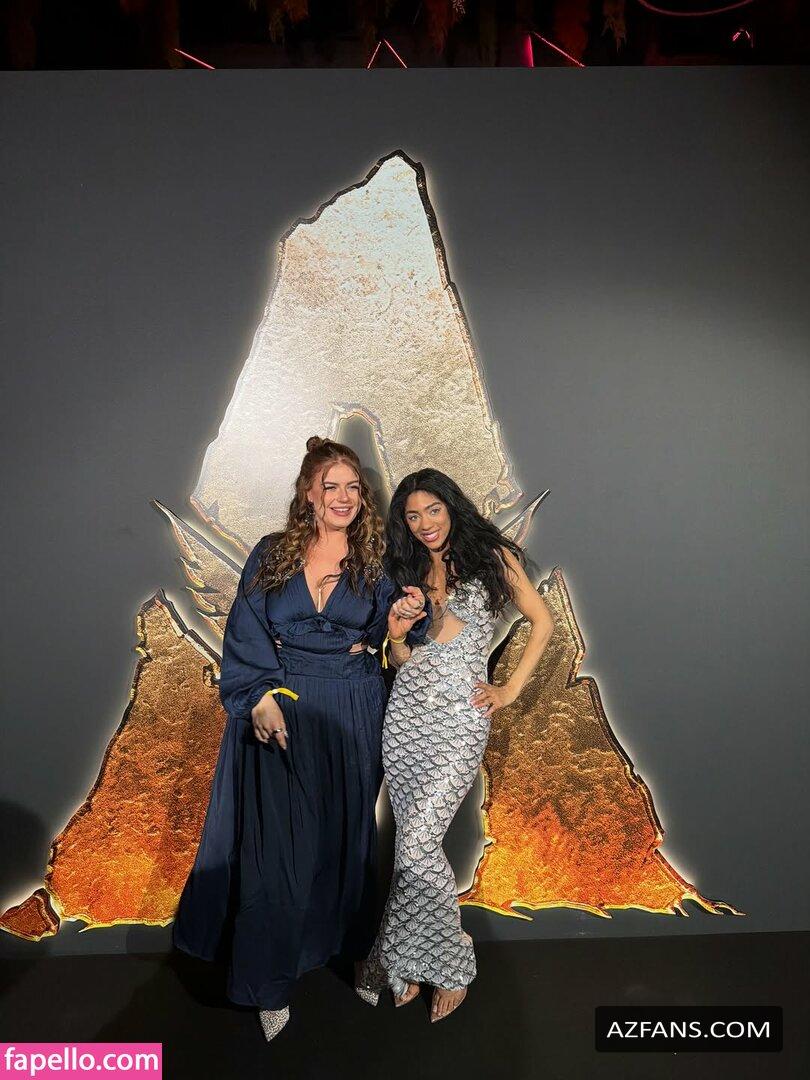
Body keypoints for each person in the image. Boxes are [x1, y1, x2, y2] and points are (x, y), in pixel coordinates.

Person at [172, 436, 428, 1041]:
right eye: (330, 487)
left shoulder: (381, 562)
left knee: (346, 841)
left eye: (353, 488)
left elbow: (401, 650)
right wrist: (259, 697)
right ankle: (268, 982)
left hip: (353, 708)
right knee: (277, 851)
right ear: (308, 495)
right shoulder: (272, 554)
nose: (343, 497)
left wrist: (398, 627)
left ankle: (361, 955)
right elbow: (245, 633)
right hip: (281, 705)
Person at [356, 468, 555, 1022]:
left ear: (451, 507)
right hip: (405, 720)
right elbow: (401, 660)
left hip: (459, 722)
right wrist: (397, 636)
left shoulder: (492, 556)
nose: (425, 524)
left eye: (433, 510)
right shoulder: (406, 569)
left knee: (416, 847)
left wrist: (508, 690)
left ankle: (451, 966)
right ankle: (401, 959)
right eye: (412, 516)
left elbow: (542, 622)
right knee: (409, 847)